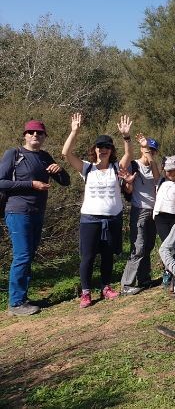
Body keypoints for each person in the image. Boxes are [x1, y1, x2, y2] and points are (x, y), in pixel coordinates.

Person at [61, 113, 133, 308]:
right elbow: (66, 154)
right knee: (88, 256)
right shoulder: (87, 168)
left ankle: (105, 287)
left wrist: (126, 137)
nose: (104, 150)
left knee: (108, 255)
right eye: (100, 146)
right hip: (90, 219)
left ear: (111, 150)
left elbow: (130, 155)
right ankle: (85, 292)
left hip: (112, 219)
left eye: (107, 147)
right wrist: (74, 131)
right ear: (95, 149)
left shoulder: (116, 168)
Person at [1, 120, 70, 315]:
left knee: (28, 255)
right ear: (25, 135)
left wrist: (60, 170)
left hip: (37, 213)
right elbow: (1, 182)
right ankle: (15, 303)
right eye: (31, 132)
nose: (35, 136)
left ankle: (22, 298)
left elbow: (65, 182)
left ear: (44, 136)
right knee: (22, 255)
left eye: (39, 133)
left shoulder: (45, 157)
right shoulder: (14, 154)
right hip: (17, 211)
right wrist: (31, 185)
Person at [120, 134, 162, 296]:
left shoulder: (154, 166)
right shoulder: (134, 165)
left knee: (148, 246)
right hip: (140, 210)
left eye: (152, 150)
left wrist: (151, 159)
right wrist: (129, 183)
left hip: (154, 211)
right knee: (138, 247)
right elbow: (126, 186)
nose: (148, 152)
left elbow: (157, 179)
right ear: (141, 149)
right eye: (146, 149)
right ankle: (127, 284)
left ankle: (143, 278)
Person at [153, 155, 175, 289]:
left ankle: (173, 272)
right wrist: (146, 149)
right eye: (168, 171)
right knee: (167, 244)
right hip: (160, 217)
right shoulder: (160, 181)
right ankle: (168, 271)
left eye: (173, 170)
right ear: (164, 171)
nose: (171, 173)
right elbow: (153, 164)